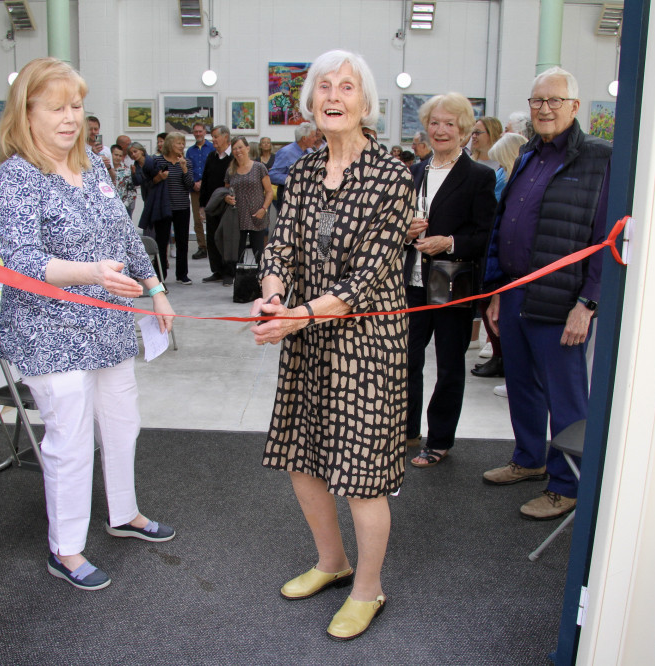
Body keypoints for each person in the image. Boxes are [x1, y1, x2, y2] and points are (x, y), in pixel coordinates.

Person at [0, 57, 176, 591]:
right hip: (51, 335)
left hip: (107, 326)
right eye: (57, 107)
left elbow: (123, 234)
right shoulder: (17, 177)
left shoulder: (92, 165)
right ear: (27, 113)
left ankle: (124, 514)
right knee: (69, 441)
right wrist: (91, 273)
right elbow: (23, 262)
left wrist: (156, 290)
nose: (71, 118)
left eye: (77, 106)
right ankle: (65, 549)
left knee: (122, 424)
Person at [252, 49, 412, 641]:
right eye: (324, 86)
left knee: (362, 473)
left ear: (365, 103)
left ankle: (368, 590)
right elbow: (279, 250)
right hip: (307, 338)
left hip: (367, 346)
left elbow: (367, 279)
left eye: (347, 86)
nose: (334, 96)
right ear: (311, 101)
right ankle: (332, 562)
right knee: (303, 457)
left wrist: (297, 315)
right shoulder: (301, 171)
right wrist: (273, 297)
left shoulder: (394, 176)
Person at [482, 66, 611, 520]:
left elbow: (605, 238)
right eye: (538, 100)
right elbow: (506, 224)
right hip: (517, 292)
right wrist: (498, 290)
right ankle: (529, 459)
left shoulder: (599, 158)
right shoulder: (529, 154)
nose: (545, 108)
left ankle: (566, 484)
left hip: (563, 300)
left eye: (555, 100)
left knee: (566, 395)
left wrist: (588, 302)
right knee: (521, 385)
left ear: (575, 106)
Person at [403, 93, 497, 467]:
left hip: (452, 283)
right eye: (435, 122)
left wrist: (451, 242)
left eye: (450, 124)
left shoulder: (479, 176)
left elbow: (486, 234)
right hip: (412, 282)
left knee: (449, 365)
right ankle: (407, 431)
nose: (441, 130)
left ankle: (439, 440)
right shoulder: (414, 172)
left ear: (463, 130)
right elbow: (396, 225)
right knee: (406, 359)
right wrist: (406, 231)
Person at [471, 131, 528, 382]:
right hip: (493, 254)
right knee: (489, 308)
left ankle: (505, 361)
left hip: (504, 259)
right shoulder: (504, 176)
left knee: (499, 313)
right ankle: (499, 357)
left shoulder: (511, 180)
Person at [150, 132, 195, 284]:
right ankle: (160, 275)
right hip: (164, 207)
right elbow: (152, 182)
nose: (181, 146)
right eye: (178, 143)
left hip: (182, 205)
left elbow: (190, 185)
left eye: (183, 143)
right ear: (169, 144)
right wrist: (160, 177)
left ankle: (182, 275)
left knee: (182, 241)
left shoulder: (186, 162)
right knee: (162, 242)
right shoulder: (158, 160)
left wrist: (184, 169)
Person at [224, 136, 273, 264]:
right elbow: (225, 192)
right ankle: (239, 280)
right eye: (234, 149)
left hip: (257, 215)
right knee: (237, 252)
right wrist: (226, 198)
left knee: (259, 252)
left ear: (247, 148)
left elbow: (269, 192)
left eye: (240, 147)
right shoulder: (230, 171)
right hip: (237, 216)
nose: (237, 151)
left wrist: (264, 209)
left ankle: (261, 279)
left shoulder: (259, 167)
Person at [200, 125, 233, 285]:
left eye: (215, 136)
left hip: (227, 205)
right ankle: (217, 270)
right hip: (212, 205)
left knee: (226, 238)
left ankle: (228, 271)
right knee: (212, 238)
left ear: (225, 137)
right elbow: (205, 180)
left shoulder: (233, 157)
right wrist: (202, 205)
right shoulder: (211, 156)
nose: (213, 140)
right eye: (212, 137)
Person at [268, 122, 317, 209]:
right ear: (304, 138)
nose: (315, 139)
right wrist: (293, 178)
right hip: (288, 197)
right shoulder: (286, 152)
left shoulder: (310, 152)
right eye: (313, 136)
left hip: (306, 197)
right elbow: (273, 175)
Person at [186, 122, 214, 260]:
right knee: (198, 219)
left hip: (210, 189)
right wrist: (194, 183)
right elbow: (187, 169)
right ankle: (202, 247)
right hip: (195, 189)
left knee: (211, 218)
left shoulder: (212, 148)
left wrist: (204, 182)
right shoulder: (190, 151)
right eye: (195, 132)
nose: (198, 134)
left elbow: (213, 168)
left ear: (204, 132)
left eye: (200, 131)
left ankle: (213, 246)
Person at [111, 144, 137, 216]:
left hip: (123, 208)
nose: (118, 158)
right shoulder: (105, 170)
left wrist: (125, 205)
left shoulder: (127, 171)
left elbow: (132, 190)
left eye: (120, 156)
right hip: (109, 207)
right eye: (116, 155)